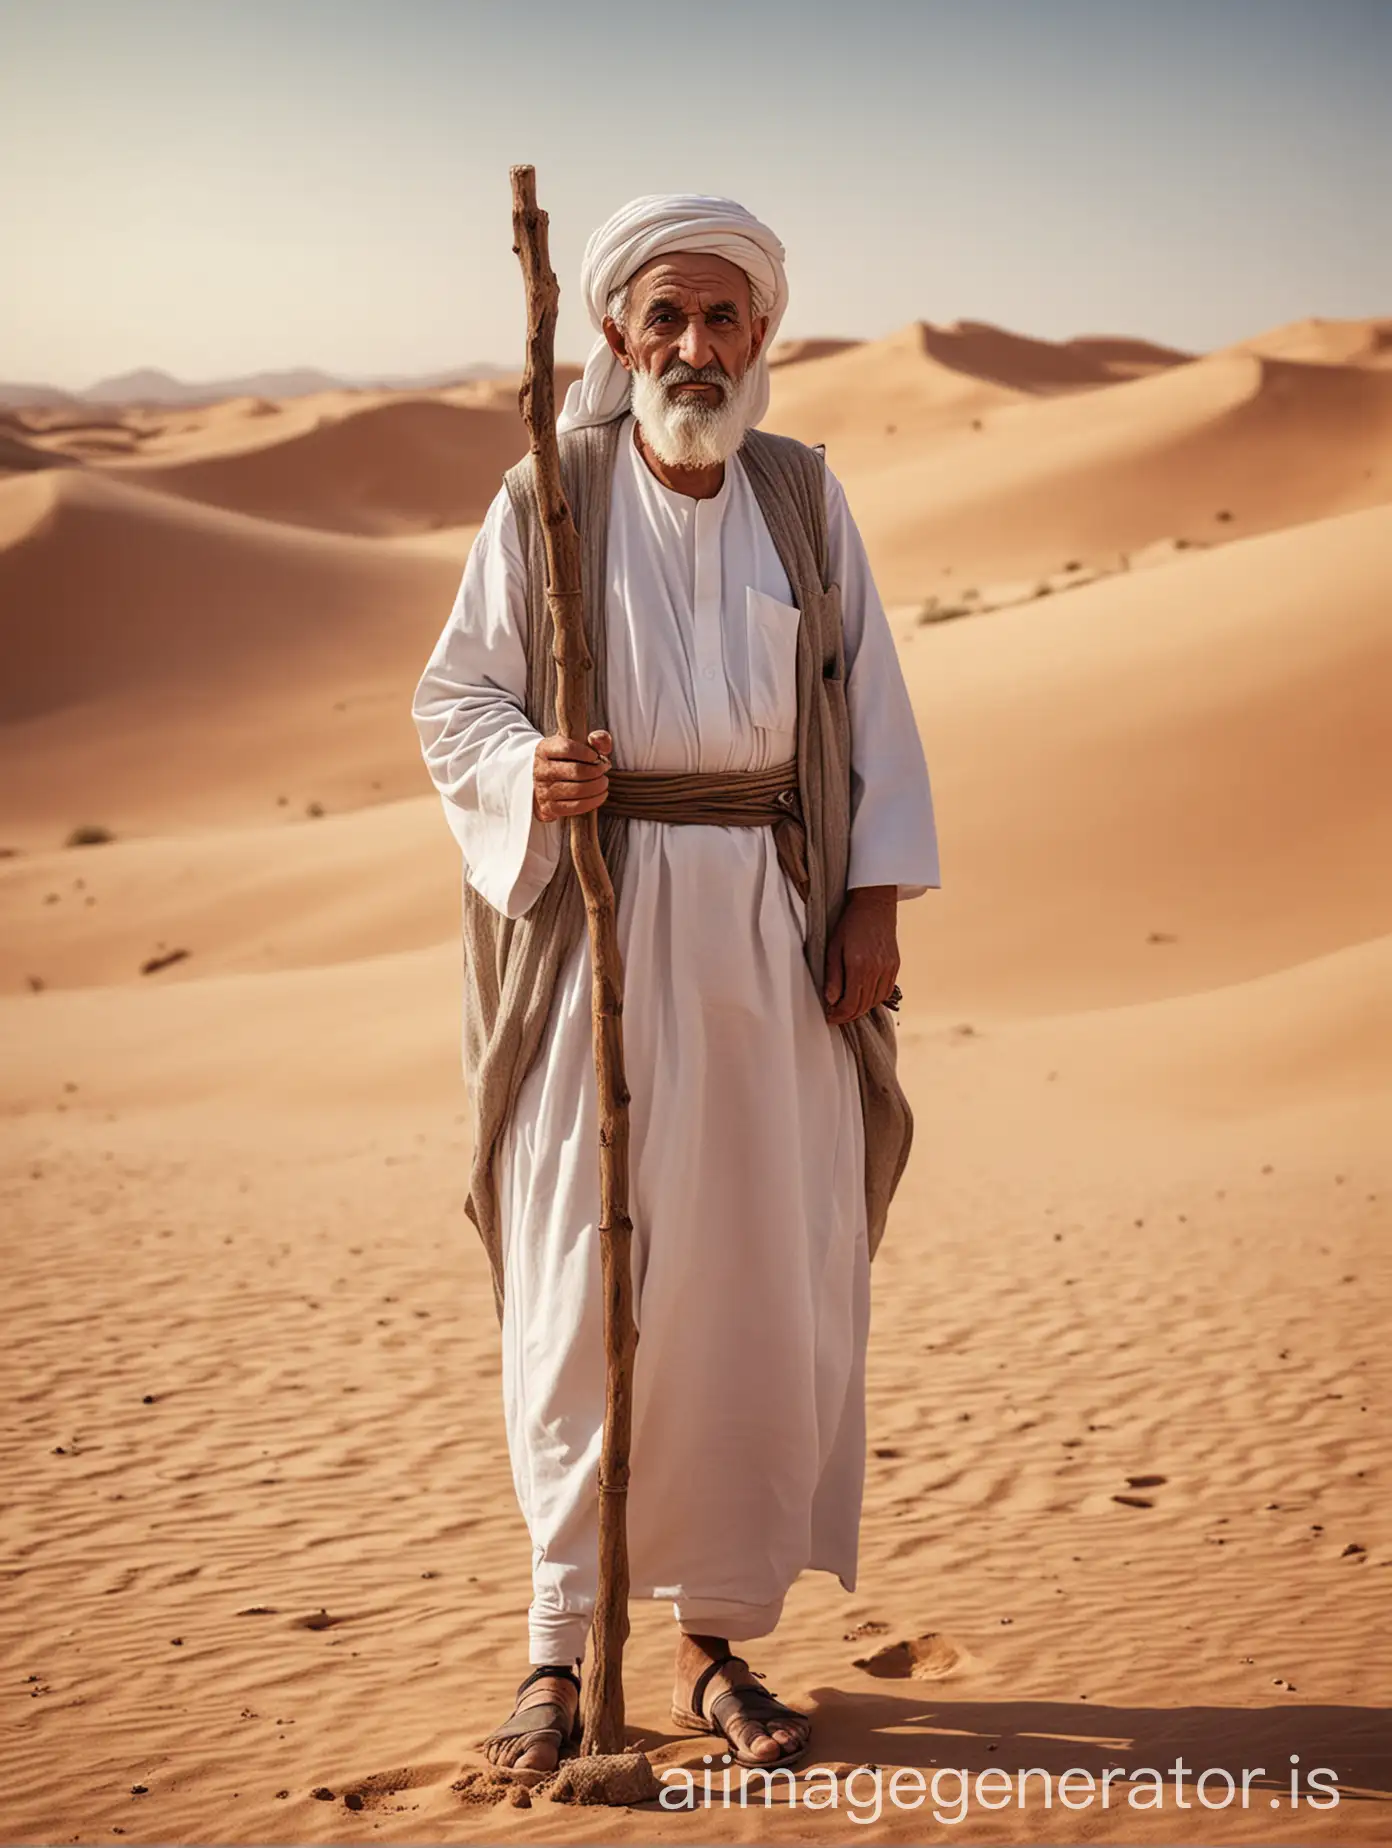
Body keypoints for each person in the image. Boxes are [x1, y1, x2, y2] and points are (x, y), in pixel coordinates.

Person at [412, 193, 940, 1775]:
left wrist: (873, 900)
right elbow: (455, 703)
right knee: (588, 1285)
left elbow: (882, 713)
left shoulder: (803, 497)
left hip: (773, 939)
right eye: (666, 319)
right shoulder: (547, 495)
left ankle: (715, 1644)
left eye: (723, 319)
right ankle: (559, 1649)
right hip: (596, 934)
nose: (695, 349)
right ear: (615, 336)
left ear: (764, 337)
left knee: (749, 1285)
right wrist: (532, 769)